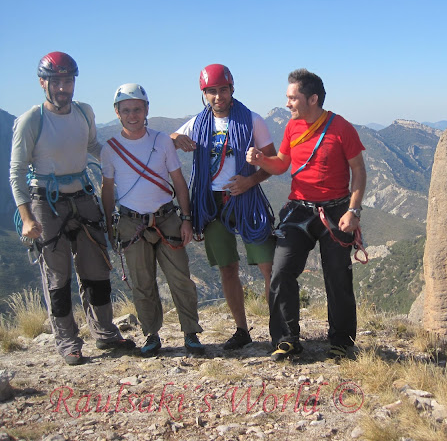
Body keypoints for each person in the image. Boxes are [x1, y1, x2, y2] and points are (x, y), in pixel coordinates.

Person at [9, 52, 135, 366]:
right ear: (43, 83)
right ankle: (68, 342)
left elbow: (93, 147)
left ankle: (105, 333)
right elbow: (16, 171)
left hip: (81, 196)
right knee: (57, 276)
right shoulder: (31, 120)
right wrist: (26, 218)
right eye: (57, 81)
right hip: (45, 202)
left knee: (97, 269)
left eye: (68, 80)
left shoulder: (84, 112)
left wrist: (125, 158)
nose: (63, 87)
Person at [246, 68, 367, 361]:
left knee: (337, 276)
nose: (288, 103)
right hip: (300, 209)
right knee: (281, 271)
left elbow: (359, 171)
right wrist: (262, 160)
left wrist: (353, 210)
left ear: (312, 98)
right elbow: (282, 165)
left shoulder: (341, 128)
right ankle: (286, 339)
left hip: (337, 209)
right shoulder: (292, 127)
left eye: (292, 97)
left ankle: (341, 341)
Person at [171, 64, 276, 350]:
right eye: (212, 91)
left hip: (247, 198)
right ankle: (242, 330)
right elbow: (168, 141)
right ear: (204, 93)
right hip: (212, 203)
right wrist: (176, 139)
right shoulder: (197, 123)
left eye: (223, 90)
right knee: (227, 268)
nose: (218, 97)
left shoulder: (252, 120)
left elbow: (272, 162)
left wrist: (250, 180)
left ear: (232, 90)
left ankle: (279, 328)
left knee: (268, 267)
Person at [101, 83, 205, 356]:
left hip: (167, 217)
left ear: (146, 109)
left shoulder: (161, 141)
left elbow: (179, 182)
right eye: (126, 110)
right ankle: (151, 334)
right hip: (130, 221)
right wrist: (110, 227)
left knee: (181, 278)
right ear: (117, 112)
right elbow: (107, 189)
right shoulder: (110, 149)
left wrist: (186, 218)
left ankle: (190, 333)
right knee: (142, 283)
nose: (132, 115)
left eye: (137, 109)